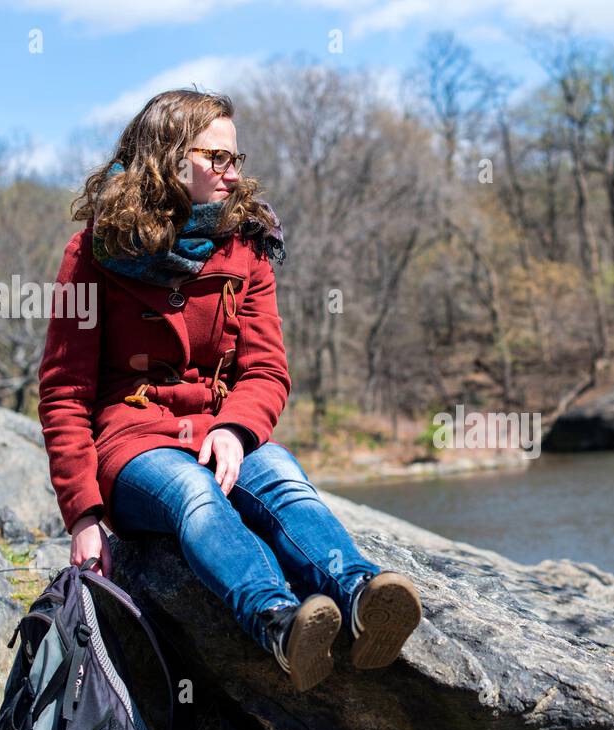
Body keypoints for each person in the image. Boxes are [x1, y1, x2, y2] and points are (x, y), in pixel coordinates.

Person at [37, 88, 421, 692]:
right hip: (134, 444)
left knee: (285, 479)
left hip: (221, 429)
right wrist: (83, 516)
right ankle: (279, 622)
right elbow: (64, 391)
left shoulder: (247, 241)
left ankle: (361, 598)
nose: (232, 172)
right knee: (195, 494)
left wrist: (236, 430)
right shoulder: (95, 250)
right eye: (215, 157)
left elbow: (266, 370)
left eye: (234, 157)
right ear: (166, 156)